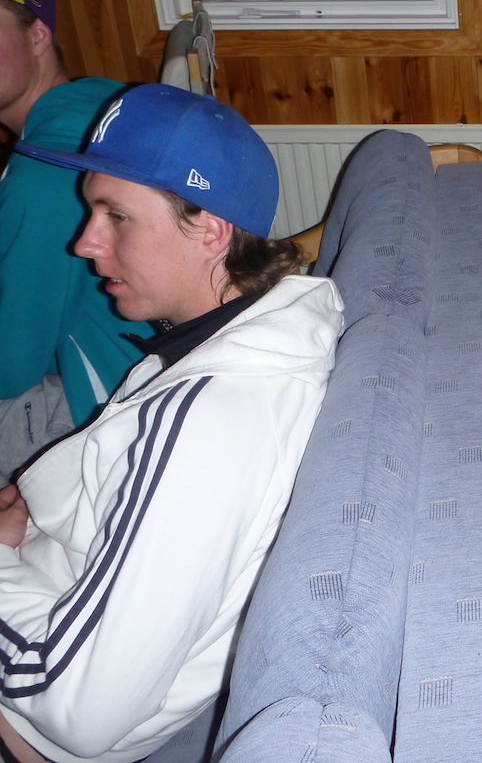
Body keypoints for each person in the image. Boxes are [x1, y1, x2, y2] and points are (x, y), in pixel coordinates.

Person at [0, 83, 344, 763]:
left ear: (209, 229)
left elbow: (79, 708)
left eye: (116, 216)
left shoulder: (210, 422)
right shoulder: (224, 341)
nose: (84, 242)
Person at [0, 0, 150, 486]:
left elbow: (11, 368)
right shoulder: (104, 103)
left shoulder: (43, 176)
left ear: (38, 35)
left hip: (116, 411)